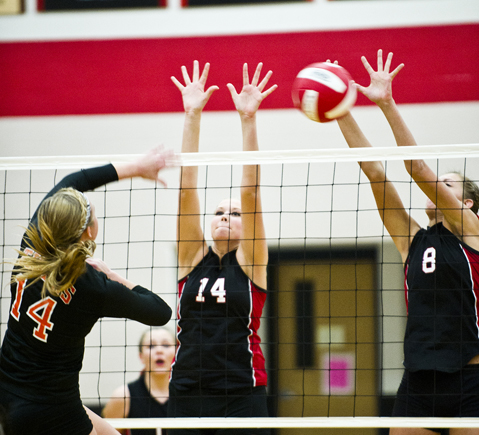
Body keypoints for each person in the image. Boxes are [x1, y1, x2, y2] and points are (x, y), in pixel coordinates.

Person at [335, 50, 479, 434]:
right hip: (419, 381)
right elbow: (376, 172)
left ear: (467, 202)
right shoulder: (412, 240)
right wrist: (340, 109)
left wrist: (387, 104)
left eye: (448, 183)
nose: (436, 185)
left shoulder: (469, 230)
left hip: (471, 380)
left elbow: (416, 168)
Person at [0, 146, 176, 435]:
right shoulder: (93, 286)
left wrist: (136, 167)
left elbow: (73, 181)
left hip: (10, 388)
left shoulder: (33, 240)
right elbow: (160, 311)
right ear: (89, 232)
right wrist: (114, 276)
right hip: (52, 409)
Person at [167, 61, 276, 435]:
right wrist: (192, 114)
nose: (225, 216)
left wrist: (248, 120)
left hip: (242, 392)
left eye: (234, 213)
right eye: (218, 212)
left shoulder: (252, 263)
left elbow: (251, 192)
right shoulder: (192, 258)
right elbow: (186, 188)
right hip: (188, 391)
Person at [102, 327, 175, 435]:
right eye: (151, 346)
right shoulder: (123, 396)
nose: (159, 350)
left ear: (176, 353)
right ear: (141, 356)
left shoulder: (189, 395)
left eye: (166, 345)